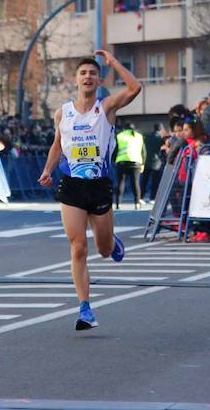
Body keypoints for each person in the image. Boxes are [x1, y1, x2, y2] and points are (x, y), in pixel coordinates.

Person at [38, 51, 140, 331]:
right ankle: (85, 308)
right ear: (76, 79)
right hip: (71, 185)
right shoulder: (63, 112)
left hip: (99, 185)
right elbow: (58, 145)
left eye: (93, 73)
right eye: (83, 73)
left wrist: (114, 63)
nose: (87, 77)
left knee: (104, 250)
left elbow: (135, 89)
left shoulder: (106, 107)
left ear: (99, 80)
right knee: (78, 247)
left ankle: (113, 242)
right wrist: (48, 169)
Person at [114, 122, 145, 209]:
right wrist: (142, 163)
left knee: (120, 183)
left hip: (121, 162)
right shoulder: (138, 136)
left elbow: (115, 150)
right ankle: (137, 203)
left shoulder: (120, 136)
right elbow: (143, 151)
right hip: (135, 163)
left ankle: (118, 203)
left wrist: (115, 160)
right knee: (135, 183)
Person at [140, 123, 165, 202]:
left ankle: (141, 197)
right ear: (160, 129)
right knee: (155, 182)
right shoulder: (160, 138)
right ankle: (152, 198)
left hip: (146, 161)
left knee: (144, 181)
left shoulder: (146, 137)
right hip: (157, 162)